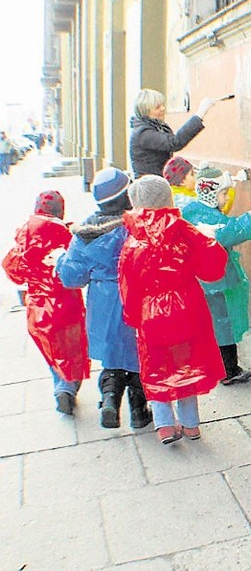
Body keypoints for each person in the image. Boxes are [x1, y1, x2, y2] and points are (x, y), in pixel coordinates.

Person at [118, 175, 229, 444]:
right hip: (187, 306)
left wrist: (134, 316)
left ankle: (165, 424)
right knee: (185, 364)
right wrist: (211, 240)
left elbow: (127, 281)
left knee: (156, 365)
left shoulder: (133, 239)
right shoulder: (184, 230)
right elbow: (212, 268)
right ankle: (191, 424)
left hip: (150, 311)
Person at [55, 167, 152, 430]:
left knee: (112, 356)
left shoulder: (85, 232)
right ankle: (139, 411)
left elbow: (71, 277)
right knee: (138, 358)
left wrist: (63, 259)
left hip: (102, 303)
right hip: (137, 300)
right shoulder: (136, 227)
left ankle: (109, 399)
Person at [182, 164, 251, 385]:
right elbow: (225, 234)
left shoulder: (193, 210)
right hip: (214, 281)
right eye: (223, 193)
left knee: (213, 322)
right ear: (209, 192)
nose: (227, 198)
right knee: (222, 323)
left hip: (204, 279)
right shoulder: (204, 216)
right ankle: (228, 369)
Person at [2, 190, 90, 414]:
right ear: (61, 210)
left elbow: (12, 269)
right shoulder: (65, 234)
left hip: (37, 307)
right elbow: (77, 268)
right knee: (72, 350)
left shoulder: (24, 234)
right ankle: (68, 388)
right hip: (65, 303)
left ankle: (61, 386)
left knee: (52, 352)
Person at [129, 88, 217, 177]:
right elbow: (174, 143)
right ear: (145, 111)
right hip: (150, 185)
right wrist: (200, 114)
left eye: (162, 105)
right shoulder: (142, 133)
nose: (163, 108)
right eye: (157, 107)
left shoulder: (154, 126)